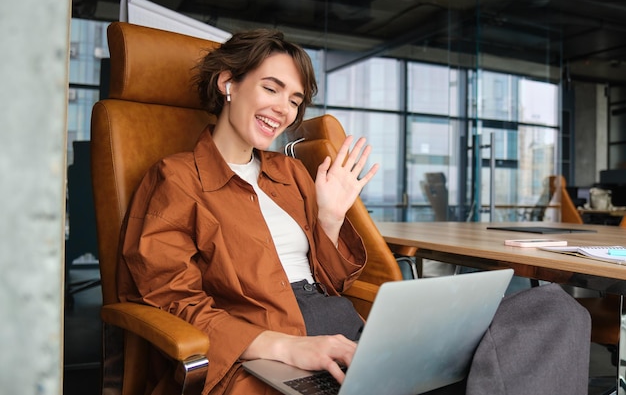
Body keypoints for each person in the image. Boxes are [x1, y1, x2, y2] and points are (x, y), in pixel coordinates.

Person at [117, 28, 591, 395]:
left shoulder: (290, 173)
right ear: (228, 83)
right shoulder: (176, 179)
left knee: (554, 309)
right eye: (272, 88)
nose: (284, 108)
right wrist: (289, 346)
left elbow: (336, 282)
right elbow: (172, 301)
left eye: (295, 99)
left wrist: (329, 217)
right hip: (267, 348)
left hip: (349, 332)